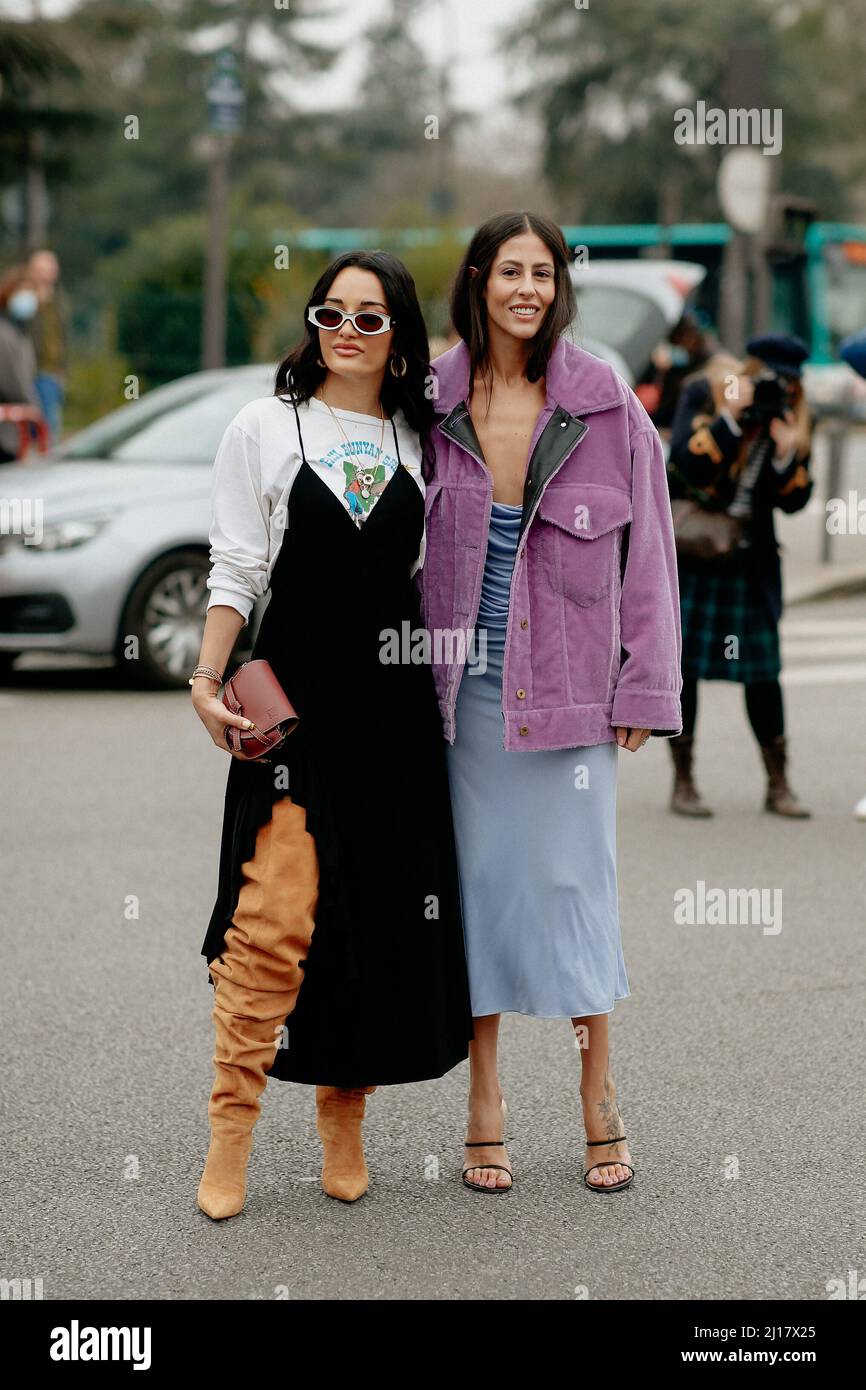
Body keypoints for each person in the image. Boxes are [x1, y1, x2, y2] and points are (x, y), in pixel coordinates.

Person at [192, 251, 473, 1220]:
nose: (345, 332)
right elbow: (235, 563)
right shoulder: (263, 425)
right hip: (293, 708)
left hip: (391, 717)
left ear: (399, 336)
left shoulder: (420, 440)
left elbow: (442, 571)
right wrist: (203, 674)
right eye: (330, 313)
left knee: (363, 923)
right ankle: (228, 1136)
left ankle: (340, 1126)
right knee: (271, 921)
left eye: (368, 317)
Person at [419, 211, 683, 1194]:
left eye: (542, 272)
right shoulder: (431, 396)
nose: (525, 287)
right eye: (507, 270)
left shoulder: (601, 398)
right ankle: (483, 1099)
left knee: (575, 888)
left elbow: (647, 551)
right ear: (478, 279)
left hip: (568, 682)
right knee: (479, 888)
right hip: (459, 689)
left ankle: (597, 1097)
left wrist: (644, 682)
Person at [666, 334, 814, 818]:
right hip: (699, 555)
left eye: (789, 384)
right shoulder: (703, 395)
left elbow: (794, 501)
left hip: (750, 562)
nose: (778, 390)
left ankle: (779, 783)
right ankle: (683, 781)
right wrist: (730, 419)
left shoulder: (787, 419)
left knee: (763, 674)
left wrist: (784, 454)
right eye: (768, 380)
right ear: (747, 373)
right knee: (684, 669)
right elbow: (680, 469)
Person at [26, 248, 68, 443]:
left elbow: (63, 338)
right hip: (30, 372)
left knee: (50, 425)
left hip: (53, 373)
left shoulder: (59, 300)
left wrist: (63, 370)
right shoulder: (25, 300)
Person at [0, 266, 40, 463]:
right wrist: (32, 406)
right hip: (7, 424)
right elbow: (10, 381)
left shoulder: (20, 331)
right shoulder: (4, 333)